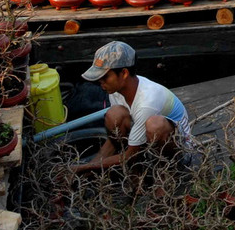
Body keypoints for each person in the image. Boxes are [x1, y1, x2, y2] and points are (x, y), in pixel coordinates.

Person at [71, 41, 192, 173]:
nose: (100, 82)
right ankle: (136, 174)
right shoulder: (116, 90)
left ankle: (166, 174)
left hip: (178, 151)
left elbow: (130, 155)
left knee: (155, 125)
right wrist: (84, 169)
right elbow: (114, 139)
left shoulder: (147, 101)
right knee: (114, 114)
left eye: (105, 76)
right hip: (146, 143)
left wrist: (82, 168)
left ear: (124, 73)